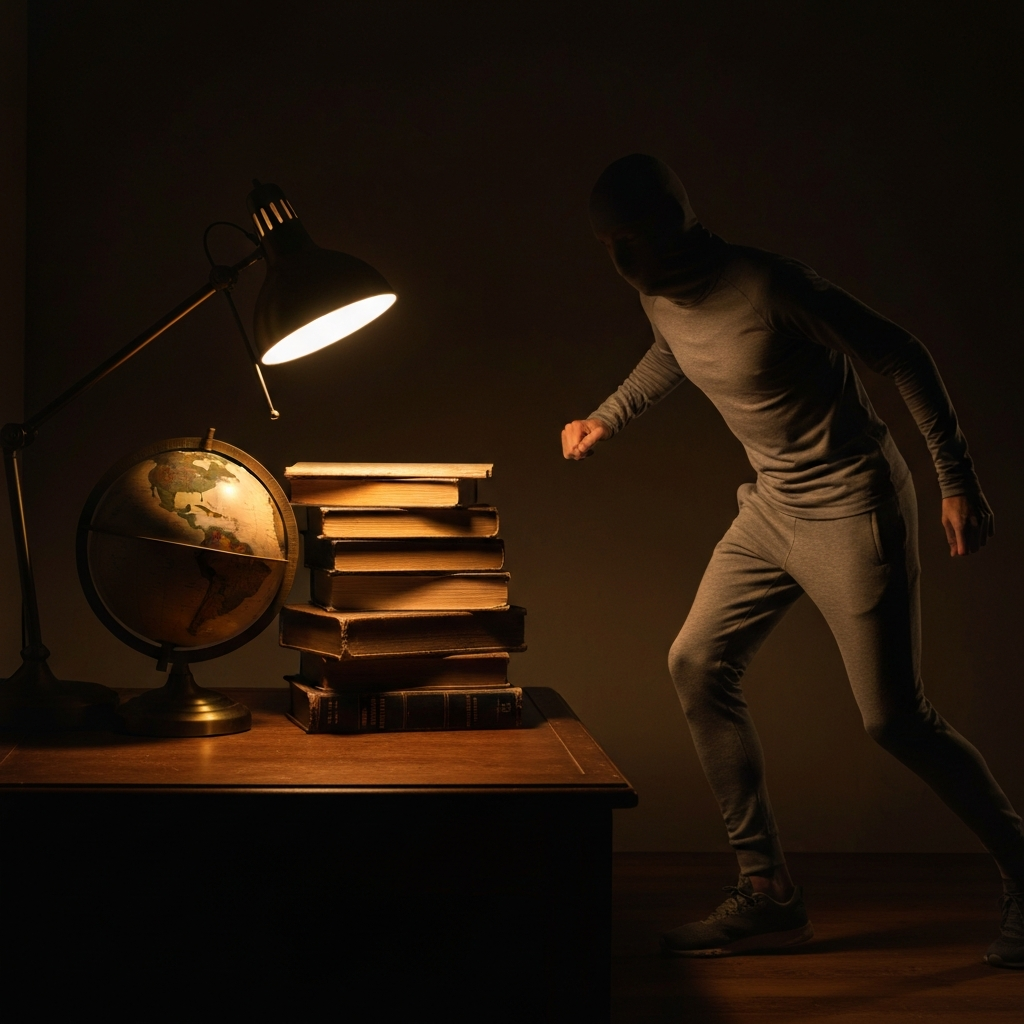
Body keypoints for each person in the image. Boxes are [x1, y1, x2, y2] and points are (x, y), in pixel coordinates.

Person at [561, 154, 1023, 968]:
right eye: (607, 247)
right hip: (772, 508)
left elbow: (902, 353)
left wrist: (957, 482)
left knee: (895, 720)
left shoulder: (771, 286)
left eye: (630, 241)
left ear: (673, 222)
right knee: (697, 664)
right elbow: (672, 347)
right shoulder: (657, 288)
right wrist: (608, 415)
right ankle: (768, 893)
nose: (622, 263)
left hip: (854, 507)